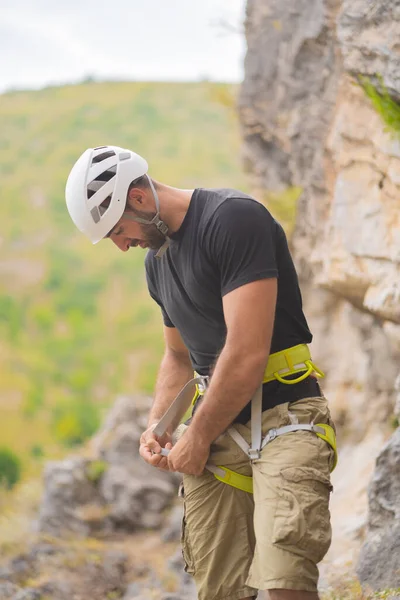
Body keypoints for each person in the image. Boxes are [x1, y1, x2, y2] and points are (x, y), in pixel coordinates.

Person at [65, 145, 336, 600]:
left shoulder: (233, 219)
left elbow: (247, 351)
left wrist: (198, 436)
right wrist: (161, 424)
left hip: (287, 417)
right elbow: (177, 356)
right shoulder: (157, 263)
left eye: (117, 230)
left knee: (284, 580)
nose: (121, 244)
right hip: (220, 428)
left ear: (139, 198)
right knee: (220, 587)